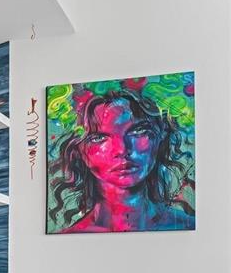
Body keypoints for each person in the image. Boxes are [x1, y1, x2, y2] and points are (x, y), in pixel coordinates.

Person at [48, 90, 194, 233]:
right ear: (78, 151)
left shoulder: (187, 226)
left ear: (160, 136)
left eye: (138, 131)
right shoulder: (71, 238)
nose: (122, 149)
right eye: (98, 138)